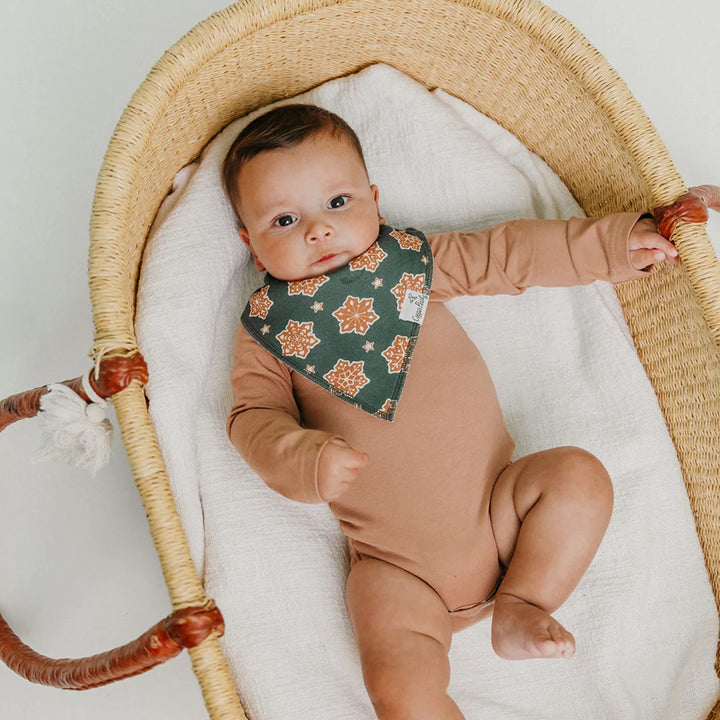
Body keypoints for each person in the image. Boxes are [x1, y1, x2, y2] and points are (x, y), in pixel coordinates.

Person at [222, 103, 679, 719]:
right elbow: (252, 417)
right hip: (396, 570)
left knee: (578, 476)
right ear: (251, 246)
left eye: (337, 203)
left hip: (504, 512)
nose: (318, 231)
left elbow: (510, 254)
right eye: (284, 219)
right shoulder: (268, 332)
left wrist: (615, 246)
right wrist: (303, 460)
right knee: (399, 686)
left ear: (375, 202)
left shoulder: (411, 267)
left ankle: (523, 602)